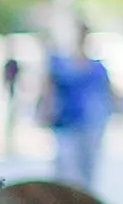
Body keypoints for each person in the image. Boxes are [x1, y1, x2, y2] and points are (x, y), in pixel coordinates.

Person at [38, 22, 111, 191]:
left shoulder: (98, 66)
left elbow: (107, 92)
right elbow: (48, 88)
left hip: (92, 121)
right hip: (65, 120)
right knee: (65, 165)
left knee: (88, 167)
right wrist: (46, 109)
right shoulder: (59, 63)